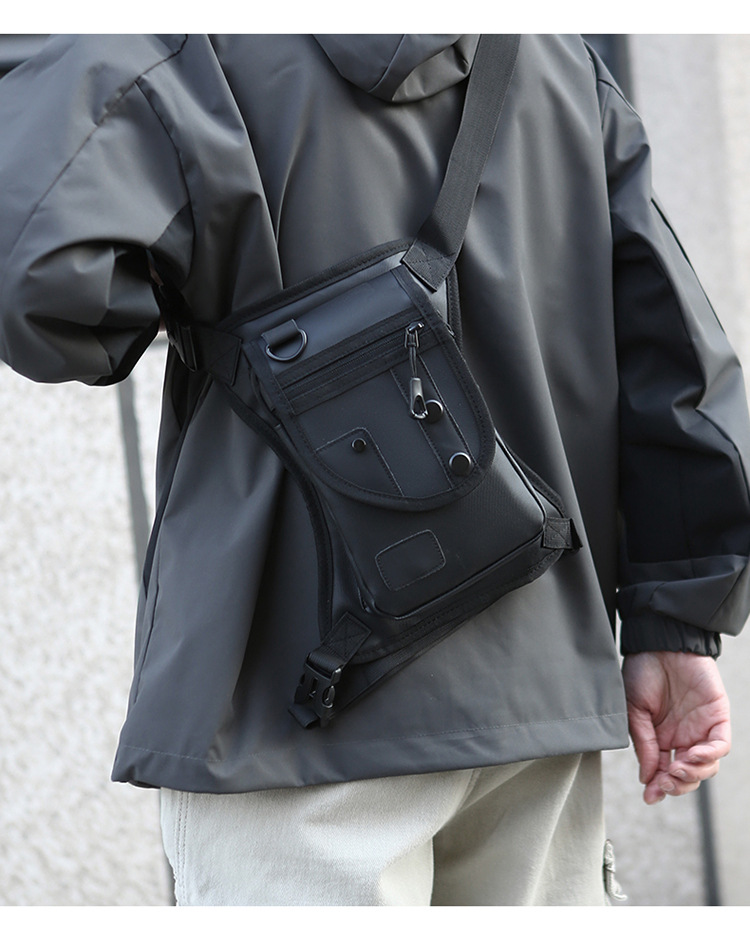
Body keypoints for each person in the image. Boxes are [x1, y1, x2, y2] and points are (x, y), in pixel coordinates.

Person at [0, 33, 748, 907]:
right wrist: (674, 625)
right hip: (532, 696)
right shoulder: (553, 53)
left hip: (287, 700)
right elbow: (674, 351)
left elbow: (43, 291)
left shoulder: (168, 43)